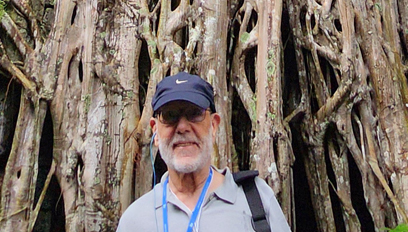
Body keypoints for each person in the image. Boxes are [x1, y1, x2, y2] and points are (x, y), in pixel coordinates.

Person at [116, 72, 292, 232]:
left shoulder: (256, 200)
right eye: (170, 116)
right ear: (155, 131)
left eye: (194, 114)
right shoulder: (135, 220)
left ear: (214, 126)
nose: (183, 127)